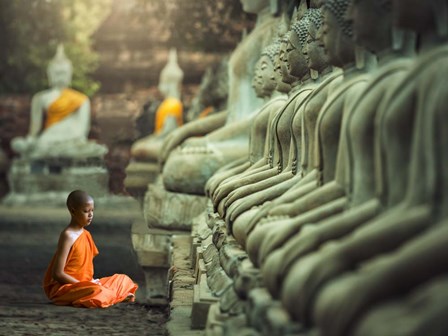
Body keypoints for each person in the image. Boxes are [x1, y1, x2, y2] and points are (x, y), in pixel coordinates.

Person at [42, 190, 138, 308]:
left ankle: (111, 296)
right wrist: (83, 285)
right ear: (73, 211)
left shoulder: (86, 234)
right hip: (68, 287)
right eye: (86, 211)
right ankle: (113, 296)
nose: (90, 215)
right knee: (98, 291)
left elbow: (85, 270)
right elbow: (57, 274)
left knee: (124, 279)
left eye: (92, 211)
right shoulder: (67, 235)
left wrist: (91, 282)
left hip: (88, 284)